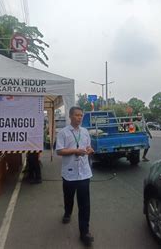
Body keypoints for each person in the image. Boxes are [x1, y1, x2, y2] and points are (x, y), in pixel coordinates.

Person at [56, 106, 95, 247]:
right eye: (77, 115)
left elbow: (88, 147)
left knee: (85, 205)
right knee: (69, 198)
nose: (79, 117)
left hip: (84, 172)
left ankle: (84, 232)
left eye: (81, 115)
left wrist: (89, 150)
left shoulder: (85, 132)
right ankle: (67, 212)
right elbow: (59, 151)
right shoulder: (63, 133)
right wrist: (75, 151)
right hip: (70, 173)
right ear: (70, 116)